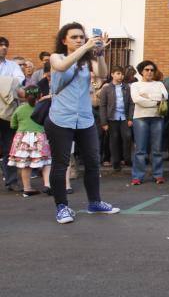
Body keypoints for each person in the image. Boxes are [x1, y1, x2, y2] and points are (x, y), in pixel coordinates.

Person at [45, 23, 119, 223]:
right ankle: (62, 207)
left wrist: (101, 53)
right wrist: (85, 47)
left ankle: (95, 202)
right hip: (60, 118)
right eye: (74, 37)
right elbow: (61, 67)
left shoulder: (87, 61)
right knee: (61, 164)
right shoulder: (56, 57)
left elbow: (103, 74)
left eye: (81, 37)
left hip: (85, 119)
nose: (79, 39)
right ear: (64, 40)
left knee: (93, 162)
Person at [129, 60, 168, 185]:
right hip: (140, 118)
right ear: (141, 71)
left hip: (157, 118)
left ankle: (158, 175)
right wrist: (155, 101)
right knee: (140, 149)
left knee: (157, 149)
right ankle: (137, 176)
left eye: (152, 70)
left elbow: (164, 97)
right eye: (147, 70)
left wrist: (146, 97)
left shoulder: (159, 84)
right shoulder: (135, 85)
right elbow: (136, 99)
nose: (150, 72)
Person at [9, 86, 52, 196]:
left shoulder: (20, 109)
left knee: (25, 164)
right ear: (40, 95)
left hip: (22, 138)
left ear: (25, 96)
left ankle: (27, 188)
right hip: (40, 137)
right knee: (46, 162)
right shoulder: (43, 107)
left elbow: (13, 124)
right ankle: (47, 185)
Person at [0, 36, 25, 192]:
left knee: (10, 147)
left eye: (5, 45)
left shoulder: (13, 65)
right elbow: (13, 82)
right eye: (0, 45)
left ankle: (11, 181)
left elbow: (19, 81)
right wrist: (7, 83)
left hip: (7, 111)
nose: (3, 47)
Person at [98, 66, 133, 172]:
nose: (120, 76)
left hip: (124, 118)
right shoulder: (106, 88)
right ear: (112, 74)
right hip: (112, 118)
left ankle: (127, 158)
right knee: (114, 140)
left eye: (122, 74)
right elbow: (103, 105)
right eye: (118, 73)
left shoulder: (127, 87)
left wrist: (130, 118)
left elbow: (131, 103)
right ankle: (116, 162)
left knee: (127, 137)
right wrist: (104, 122)